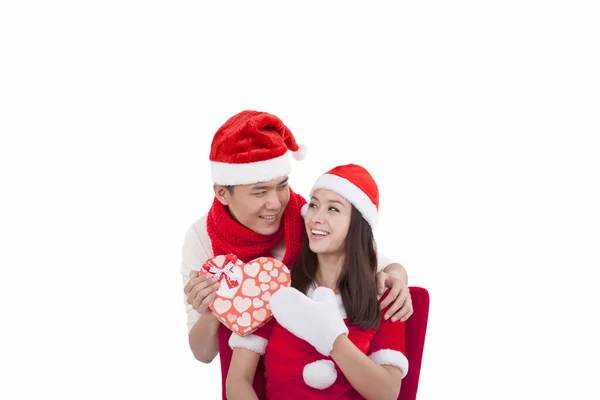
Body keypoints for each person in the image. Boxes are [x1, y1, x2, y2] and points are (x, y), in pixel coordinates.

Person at [181, 111, 413, 400]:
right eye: (259, 191)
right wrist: (214, 306)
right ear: (223, 193)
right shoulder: (204, 242)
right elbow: (210, 359)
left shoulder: (303, 221)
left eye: (282, 186)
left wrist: (397, 277)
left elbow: (365, 256)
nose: (275, 203)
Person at [227, 163, 408, 400]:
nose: (316, 218)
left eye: (333, 209)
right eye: (313, 205)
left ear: (357, 225)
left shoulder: (385, 296)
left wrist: (331, 338)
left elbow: (386, 393)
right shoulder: (274, 288)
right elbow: (237, 381)